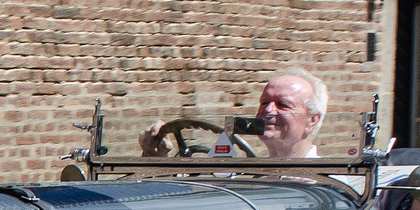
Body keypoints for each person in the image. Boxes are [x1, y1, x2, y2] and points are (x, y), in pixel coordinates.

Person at [139, 67, 326, 159]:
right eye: (265, 102)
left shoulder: (329, 186)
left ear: (312, 120)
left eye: (283, 105)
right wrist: (154, 156)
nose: (268, 111)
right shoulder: (244, 173)